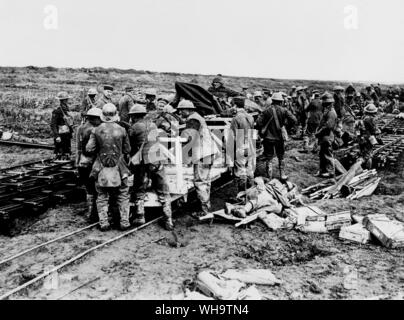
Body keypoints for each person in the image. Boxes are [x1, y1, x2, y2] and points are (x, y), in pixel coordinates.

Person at [85, 103, 131, 231]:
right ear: (116, 114)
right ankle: (124, 221)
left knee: (102, 196)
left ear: (103, 115)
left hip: (101, 167)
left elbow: (89, 149)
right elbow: (127, 149)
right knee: (123, 194)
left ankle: (104, 222)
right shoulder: (122, 130)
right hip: (120, 168)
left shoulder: (96, 130)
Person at [128, 104, 173, 230]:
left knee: (139, 187)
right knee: (163, 188)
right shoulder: (152, 124)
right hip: (158, 159)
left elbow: (129, 147)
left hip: (144, 161)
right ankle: (168, 218)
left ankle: (140, 216)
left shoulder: (134, 127)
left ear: (134, 116)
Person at [177, 100, 220, 217]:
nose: (180, 112)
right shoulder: (197, 117)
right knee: (205, 180)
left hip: (202, 153)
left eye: (182, 110)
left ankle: (205, 211)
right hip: (209, 151)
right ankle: (206, 205)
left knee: (200, 182)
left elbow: (190, 137)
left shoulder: (193, 120)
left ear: (189, 110)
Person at [256, 92, 297, 181]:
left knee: (269, 157)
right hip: (279, 138)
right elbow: (294, 120)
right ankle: (282, 175)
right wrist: (284, 125)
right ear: (281, 101)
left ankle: (269, 177)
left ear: (272, 100)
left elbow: (258, 123)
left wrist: (263, 129)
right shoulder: (284, 110)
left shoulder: (266, 111)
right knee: (281, 156)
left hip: (268, 138)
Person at [76, 107, 102, 222]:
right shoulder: (95, 130)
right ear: (96, 118)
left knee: (89, 189)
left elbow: (78, 148)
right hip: (92, 163)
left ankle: (90, 212)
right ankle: (94, 214)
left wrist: (76, 162)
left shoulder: (80, 128)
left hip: (82, 162)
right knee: (96, 189)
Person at [227, 97, 256, 192]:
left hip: (241, 146)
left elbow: (232, 137)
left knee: (241, 171)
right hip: (251, 145)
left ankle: (242, 195)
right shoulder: (250, 117)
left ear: (235, 106)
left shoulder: (236, 119)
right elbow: (254, 133)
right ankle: (251, 192)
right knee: (250, 170)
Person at [316, 93, 339, 178]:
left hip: (327, 135)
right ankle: (322, 170)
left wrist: (318, 132)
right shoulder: (328, 111)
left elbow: (328, 126)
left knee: (327, 154)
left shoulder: (331, 113)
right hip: (324, 136)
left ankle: (331, 172)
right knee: (322, 154)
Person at [51, 91, 74, 160]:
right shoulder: (57, 111)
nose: (67, 101)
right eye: (66, 99)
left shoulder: (67, 109)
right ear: (63, 100)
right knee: (59, 151)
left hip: (67, 134)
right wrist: (57, 136)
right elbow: (53, 124)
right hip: (60, 134)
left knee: (67, 150)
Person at [357, 104, 381, 169]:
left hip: (361, 138)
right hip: (368, 138)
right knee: (369, 155)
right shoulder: (370, 119)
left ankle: (362, 167)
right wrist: (378, 132)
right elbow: (374, 130)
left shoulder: (363, 117)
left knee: (363, 153)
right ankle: (368, 169)